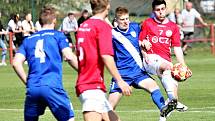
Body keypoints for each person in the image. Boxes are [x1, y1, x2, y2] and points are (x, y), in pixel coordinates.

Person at [108, 6, 177, 120]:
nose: (126, 22)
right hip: (122, 74)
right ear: (116, 21)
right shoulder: (112, 34)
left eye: (127, 19)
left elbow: (143, 38)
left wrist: (144, 42)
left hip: (138, 71)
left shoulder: (135, 28)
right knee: (109, 108)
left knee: (154, 86)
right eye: (122, 19)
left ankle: (163, 109)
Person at [12, 6, 78, 121]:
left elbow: (16, 63)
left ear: (40, 21)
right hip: (52, 86)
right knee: (69, 118)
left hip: (33, 87)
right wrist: (84, 71)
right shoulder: (58, 35)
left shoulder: (28, 39)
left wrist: (28, 82)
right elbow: (69, 56)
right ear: (54, 20)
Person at [75, 0, 132, 121]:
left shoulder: (83, 25)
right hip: (91, 86)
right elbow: (106, 56)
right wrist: (120, 81)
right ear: (108, 6)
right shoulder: (102, 26)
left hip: (88, 83)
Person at [139, 0, 192, 120]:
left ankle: (165, 112)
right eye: (158, 10)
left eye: (162, 9)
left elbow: (177, 48)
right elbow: (140, 41)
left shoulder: (173, 27)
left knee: (173, 83)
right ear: (153, 11)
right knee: (168, 68)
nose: (161, 12)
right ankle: (173, 101)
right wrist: (144, 52)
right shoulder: (148, 23)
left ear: (166, 9)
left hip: (165, 60)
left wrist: (183, 64)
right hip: (150, 59)